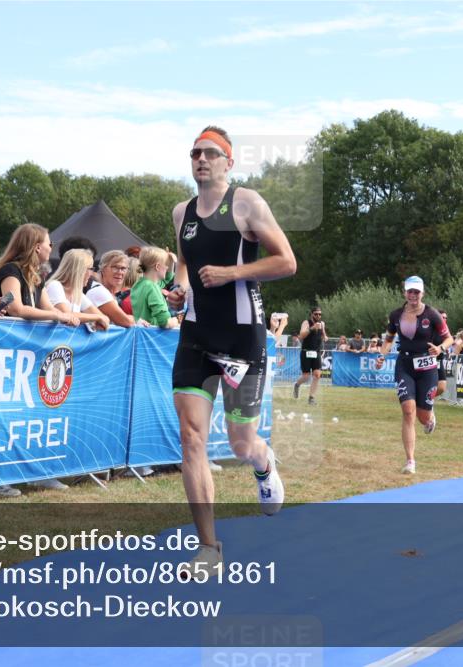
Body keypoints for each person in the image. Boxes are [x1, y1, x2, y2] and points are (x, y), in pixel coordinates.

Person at [166, 126, 296, 579]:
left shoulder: (246, 203)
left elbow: (286, 261)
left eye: (211, 153)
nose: (201, 159)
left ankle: (264, 464)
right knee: (192, 439)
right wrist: (179, 289)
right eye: (195, 153)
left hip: (242, 338)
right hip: (196, 337)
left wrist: (230, 273)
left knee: (241, 444)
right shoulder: (181, 211)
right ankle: (209, 548)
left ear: (228, 161)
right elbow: (183, 262)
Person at [376, 276, 453, 475]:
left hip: (427, 367)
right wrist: (382, 356)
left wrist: (440, 348)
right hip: (405, 364)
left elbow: (449, 338)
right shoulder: (396, 315)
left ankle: (430, 417)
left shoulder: (432, 314)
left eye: (416, 292)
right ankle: (410, 460)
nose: (413, 295)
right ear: (404, 293)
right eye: (410, 291)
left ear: (422, 293)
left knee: (422, 416)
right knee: (408, 410)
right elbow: (389, 339)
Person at [0, 223, 78, 325]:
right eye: (50, 244)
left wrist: (66, 317)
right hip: (5, 336)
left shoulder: (37, 276)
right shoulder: (11, 270)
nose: (51, 248)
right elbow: (16, 309)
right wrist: (57, 316)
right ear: (38, 248)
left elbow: (48, 308)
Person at [45, 248, 110, 329]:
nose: (92, 273)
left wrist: (98, 319)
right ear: (78, 270)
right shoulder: (54, 285)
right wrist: (96, 318)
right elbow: (67, 315)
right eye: (90, 269)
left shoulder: (77, 293)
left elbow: (103, 318)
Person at [85, 249, 137, 327]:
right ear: (103, 269)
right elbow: (126, 321)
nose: (120, 272)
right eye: (115, 267)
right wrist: (137, 319)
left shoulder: (109, 293)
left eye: (123, 269)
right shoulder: (98, 291)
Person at [131, 246, 178, 328]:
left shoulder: (140, 284)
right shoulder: (152, 287)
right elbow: (164, 322)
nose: (167, 267)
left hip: (142, 333)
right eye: (166, 265)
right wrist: (176, 321)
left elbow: (167, 278)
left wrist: (170, 261)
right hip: (153, 335)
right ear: (157, 267)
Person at [293, 306, 326, 405]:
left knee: (317, 375)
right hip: (306, 351)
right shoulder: (306, 322)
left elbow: (323, 334)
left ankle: (311, 398)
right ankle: (297, 384)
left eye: (320, 314)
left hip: (316, 352)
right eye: (316, 314)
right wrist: (312, 328)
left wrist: (325, 337)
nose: (318, 316)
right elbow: (301, 335)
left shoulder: (322, 323)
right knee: (306, 376)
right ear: (311, 314)